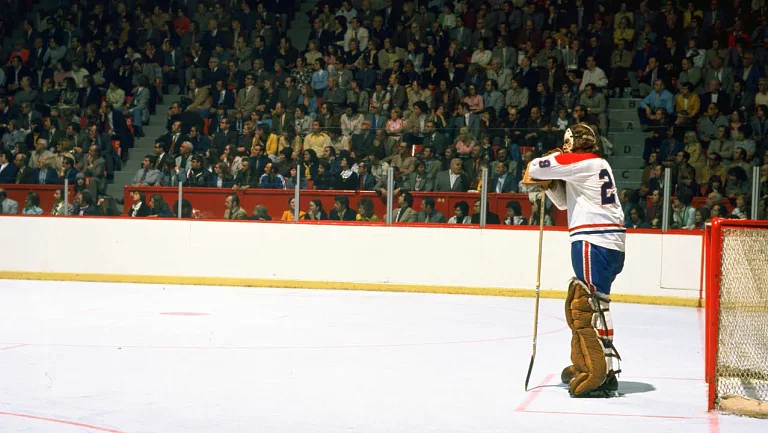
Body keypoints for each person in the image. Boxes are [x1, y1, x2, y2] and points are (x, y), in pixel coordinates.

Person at [525, 122, 625, 398]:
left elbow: (534, 167)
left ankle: (603, 372)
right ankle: (595, 363)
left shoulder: (582, 161)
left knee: (591, 306)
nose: (564, 146)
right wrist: (550, 185)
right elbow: (562, 203)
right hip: (607, 239)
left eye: (566, 142)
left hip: (593, 239)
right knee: (596, 303)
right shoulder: (594, 164)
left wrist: (550, 162)